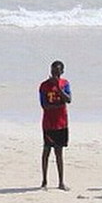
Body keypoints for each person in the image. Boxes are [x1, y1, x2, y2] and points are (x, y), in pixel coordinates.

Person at [39, 60, 71, 190]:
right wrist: (59, 104)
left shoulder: (65, 84)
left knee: (59, 152)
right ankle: (44, 181)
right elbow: (44, 105)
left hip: (62, 123)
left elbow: (68, 100)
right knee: (47, 150)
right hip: (48, 123)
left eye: (57, 72)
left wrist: (58, 88)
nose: (54, 74)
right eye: (53, 71)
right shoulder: (44, 86)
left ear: (62, 72)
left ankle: (61, 182)